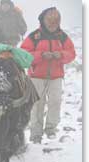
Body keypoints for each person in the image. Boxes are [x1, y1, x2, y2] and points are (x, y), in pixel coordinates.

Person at [21, 7, 76, 144]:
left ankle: (51, 129)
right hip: (36, 77)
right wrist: (40, 55)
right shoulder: (34, 36)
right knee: (36, 105)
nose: (53, 23)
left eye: (56, 21)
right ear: (43, 20)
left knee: (55, 102)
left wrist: (61, 55)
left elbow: (71, 53)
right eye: (50, 20)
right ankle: (35, 134)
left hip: (56, 77)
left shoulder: (63, 37)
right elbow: (23, 55)